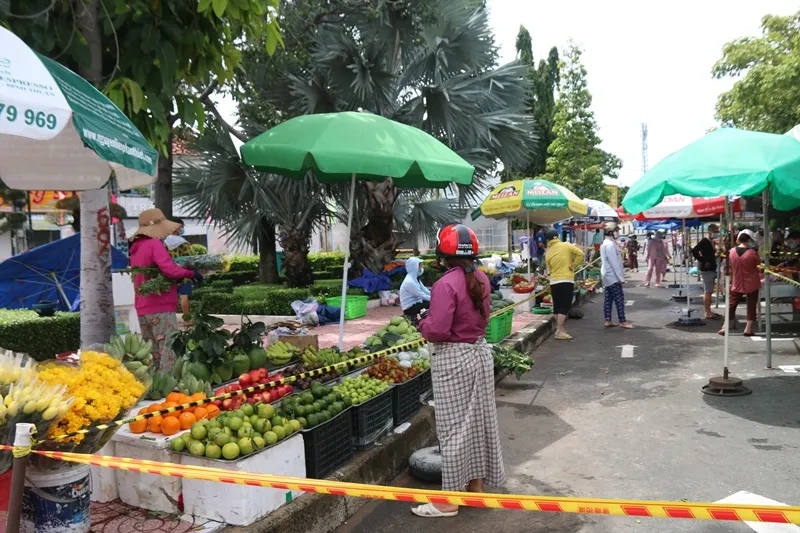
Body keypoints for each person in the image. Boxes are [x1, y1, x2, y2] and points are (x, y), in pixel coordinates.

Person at [414, 224, 504, 518]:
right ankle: (475, 488)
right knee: (478, 425)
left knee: (452, 431)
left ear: (442, 255)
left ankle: (447, 501)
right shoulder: (481, 278)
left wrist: (422, 323)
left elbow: (438, 331)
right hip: (478, 355)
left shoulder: (445, 284)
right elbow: (481, 319)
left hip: (453, 361)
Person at [129, 209, 200, 373]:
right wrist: (191, 273)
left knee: (153, 353)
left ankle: (156, 386)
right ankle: (169, 388)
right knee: (168, 349)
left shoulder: (136, 247)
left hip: (142, 307)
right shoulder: (154, 244)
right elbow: (170, 270)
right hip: (160, 305)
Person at [719, 229, 762, 336]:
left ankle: (725, 326)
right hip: (752, 282)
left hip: (736, 282)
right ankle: (748, 328)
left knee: (731, 305)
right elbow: (759, 267)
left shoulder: (731, 252)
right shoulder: (753, 253)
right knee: (751, 305)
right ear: (750, 240)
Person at [544, 228, 583, 340]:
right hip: (566, 280)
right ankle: (559, 330)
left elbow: (549, 269)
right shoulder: (566, 245)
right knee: (565, 306)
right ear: (557, 236)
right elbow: (580, 254)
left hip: (554, 281)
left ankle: (560, 328)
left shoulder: (548, 252)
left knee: (557, 307)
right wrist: (573, 265)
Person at [600, 223, 633, 329]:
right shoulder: (609, 245)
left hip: (608, 275)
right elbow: (614, 263)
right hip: (612, 275)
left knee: (608, 299)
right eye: (616, 231)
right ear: (610, 232)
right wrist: (621, 278)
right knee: (619, 299)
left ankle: (608, 320)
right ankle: (623, 321)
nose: (618, 233)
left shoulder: (609, 243)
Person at [164, 217, 194, 319]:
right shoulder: (183, 243)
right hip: (184, 274)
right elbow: (190, 259)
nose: (182, 229)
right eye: (181, 226)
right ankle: (187, 320)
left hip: (170, 274)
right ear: (176, 227)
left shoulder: (165, 242)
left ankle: (170, 320)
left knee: (170, 298)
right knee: (184, 296)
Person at [691, 224, 721, 320]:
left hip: (711, 268)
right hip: (706, 269)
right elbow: (694, 251)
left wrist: (715, 255)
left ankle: (708, 311)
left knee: (710, 290)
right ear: (710, 231)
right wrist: (703, 260)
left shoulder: (711, 242)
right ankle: (707, 312)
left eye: (717, 232)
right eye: (715, 232)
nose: (717, 234)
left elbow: (709, 254)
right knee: (708, 291)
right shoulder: (705, 241)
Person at [400, 257, 431, 323]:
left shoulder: (415, 278)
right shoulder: (409, 281)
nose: (421, 269)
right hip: (410, 308)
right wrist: (436, 299)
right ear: (414, 267)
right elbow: (422, 295)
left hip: (417, 303)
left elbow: (425, 290)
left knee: (431, 303)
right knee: (432, 304)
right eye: (420, 266)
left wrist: (435, 295)